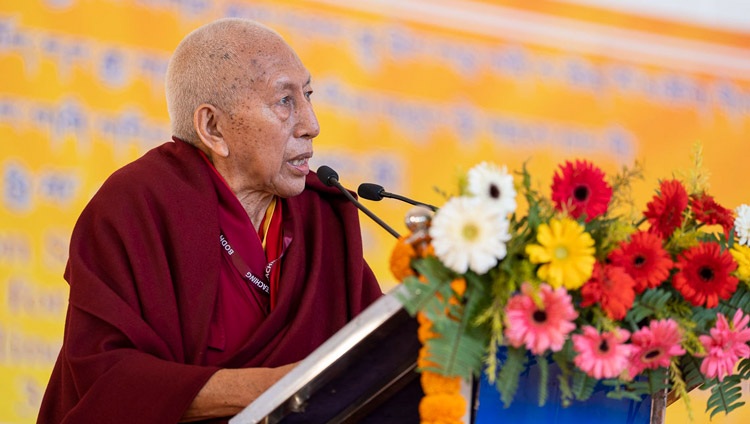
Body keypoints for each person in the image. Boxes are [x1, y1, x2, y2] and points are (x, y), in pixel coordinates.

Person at [38, 18, 382, 423]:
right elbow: (106, 380)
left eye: (308, 95)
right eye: (285, 101)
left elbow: (377, 359)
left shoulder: (322, 217)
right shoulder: (138, 205)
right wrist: (284, 389)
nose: (311, 124)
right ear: (213, 127)